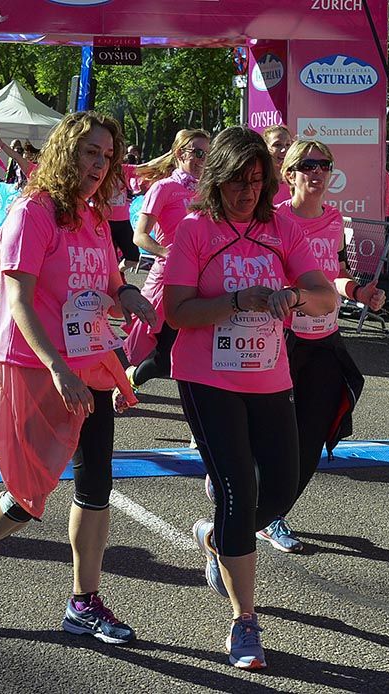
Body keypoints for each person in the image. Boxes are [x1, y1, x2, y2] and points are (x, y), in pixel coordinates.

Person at [0, 111, 157, 644]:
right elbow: (19, 298)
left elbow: (109, 283)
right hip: (36, 364)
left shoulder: (95, 218)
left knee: (95, 481)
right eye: (90, 153)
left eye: (107, 156)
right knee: (27, 492)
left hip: (90, 363)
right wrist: (57, 368)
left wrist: (132, 299)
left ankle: (84, 601)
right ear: (66, 153)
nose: (99, 165)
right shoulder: (32, 210)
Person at [163, 126, 336, 669]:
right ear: (218, 179)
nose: (246, 193)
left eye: (256, 182)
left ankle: (217, 535)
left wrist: (293, 296)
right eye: (237, 182)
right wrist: (237, 299)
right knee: (238, 489)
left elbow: (324, 291)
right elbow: (178, 311)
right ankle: (244, 623)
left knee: (280, 490)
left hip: (269, 377)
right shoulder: (195, 230)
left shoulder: (281, 226)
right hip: (206, 378)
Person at [259, 139, 386, 553]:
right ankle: (247, 484)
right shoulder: (274, 220)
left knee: (313, 436)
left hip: (325, 340)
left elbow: (338, 274)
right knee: (276, 432)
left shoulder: (335, 220)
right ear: (289, 174)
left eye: (324, 166)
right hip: (284, 342)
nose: (317, 173)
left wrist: (360, 293)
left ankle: (273, 514)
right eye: (307, 165)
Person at [124, 128, 209, 389]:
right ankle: (129, 379)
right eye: (196, 152)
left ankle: (200, 426)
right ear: (179, 153)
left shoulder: (210, 190)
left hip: (202, 277)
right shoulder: (164, 188)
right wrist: (167, 252)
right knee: (163, 358)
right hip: (169, 279)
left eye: (207, 153)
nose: (202, 159)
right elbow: (140, 236)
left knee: (199, 354)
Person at [107, 160, 140, 271]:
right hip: (104, 221)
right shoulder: (101, 167)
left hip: (123, 221)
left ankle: (118, 272)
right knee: (109, 258)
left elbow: (147, 167)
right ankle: (112, 279)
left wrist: (170, 154)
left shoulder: (125, 169)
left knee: (133, 256)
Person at [262, 125, 293, 205]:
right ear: (266, 147)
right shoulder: (260, 182)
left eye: (288, 145)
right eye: (277, 145)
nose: (284, 150)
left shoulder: (297, 181)